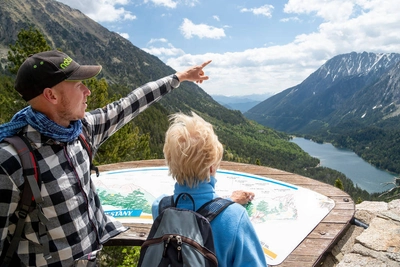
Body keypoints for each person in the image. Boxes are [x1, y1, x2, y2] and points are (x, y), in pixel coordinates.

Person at [0, 50, 212, 267]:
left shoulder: (81, 130)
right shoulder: (10, 161)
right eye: (78, 85)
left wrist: (179, 77)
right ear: (51, 96)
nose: (88, 91)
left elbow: (129, 104)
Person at [152, 112, 268, 267]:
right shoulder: (236, 217)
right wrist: (228, 207)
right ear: (212, 167)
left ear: (170, 163)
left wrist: (228, 203)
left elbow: (192, 215)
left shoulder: (160, 207)